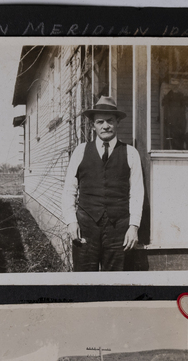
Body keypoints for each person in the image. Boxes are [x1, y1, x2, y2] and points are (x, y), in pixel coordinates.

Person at [60, 96, 145, 271]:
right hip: (86, 227)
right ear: (93, 125)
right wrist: (71, 221)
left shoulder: (130, 153)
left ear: (118, 122)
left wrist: (134, 226)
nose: (105, 126)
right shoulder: (80, 151)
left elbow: (137, 192)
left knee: (116, 282)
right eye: (100, 122)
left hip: (119, 229)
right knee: (84, 282)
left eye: (110, 121)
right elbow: (69, 189)